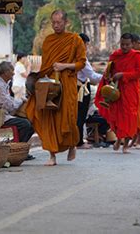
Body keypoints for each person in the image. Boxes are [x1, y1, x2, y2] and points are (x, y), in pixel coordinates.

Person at [26, 9, 86, 165]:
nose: (56, 25)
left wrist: (64, 66)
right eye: (53, 22)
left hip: (68, 83)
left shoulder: (75, 40)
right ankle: (52, 155)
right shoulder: (49, 41)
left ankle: (72, 144)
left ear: (67, 22)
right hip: (51, 85)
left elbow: (81, 63)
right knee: (47, 117)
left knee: (69, 118)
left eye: (59, 22)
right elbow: (46, 65)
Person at [95, 33, 140, 154]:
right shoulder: (115, 55)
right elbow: (109, 70)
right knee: (116, 116)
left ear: (132, 44)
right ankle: (118, 138)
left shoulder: (137, 56)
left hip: (130, 90)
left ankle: (126, 144)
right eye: (122, 44)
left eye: (127, 45)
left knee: (129, 117)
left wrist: (123, 75)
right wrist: (110, 77)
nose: (124, 47)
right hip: (115, 91)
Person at [0, 61, 35, 145]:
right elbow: (8, 105)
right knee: (25, 124)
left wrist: (19, 100)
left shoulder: (3, 84)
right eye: (12, 71)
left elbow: (9, 101)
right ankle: (17, 148)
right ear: (5, 73)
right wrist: (20, 101)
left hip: (5, 114)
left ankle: (20, 148)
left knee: (32, 123)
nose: (13, 73)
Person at [76, 33, 103, 149]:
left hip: (74, 87)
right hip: (80, 88)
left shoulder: (69, 55)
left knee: (75, 115)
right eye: (86, 44)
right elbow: (91, 76)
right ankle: (79, 142)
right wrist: (105, 77)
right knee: (80, 115)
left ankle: (77, 140)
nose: (86, 47)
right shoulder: (81, 58)